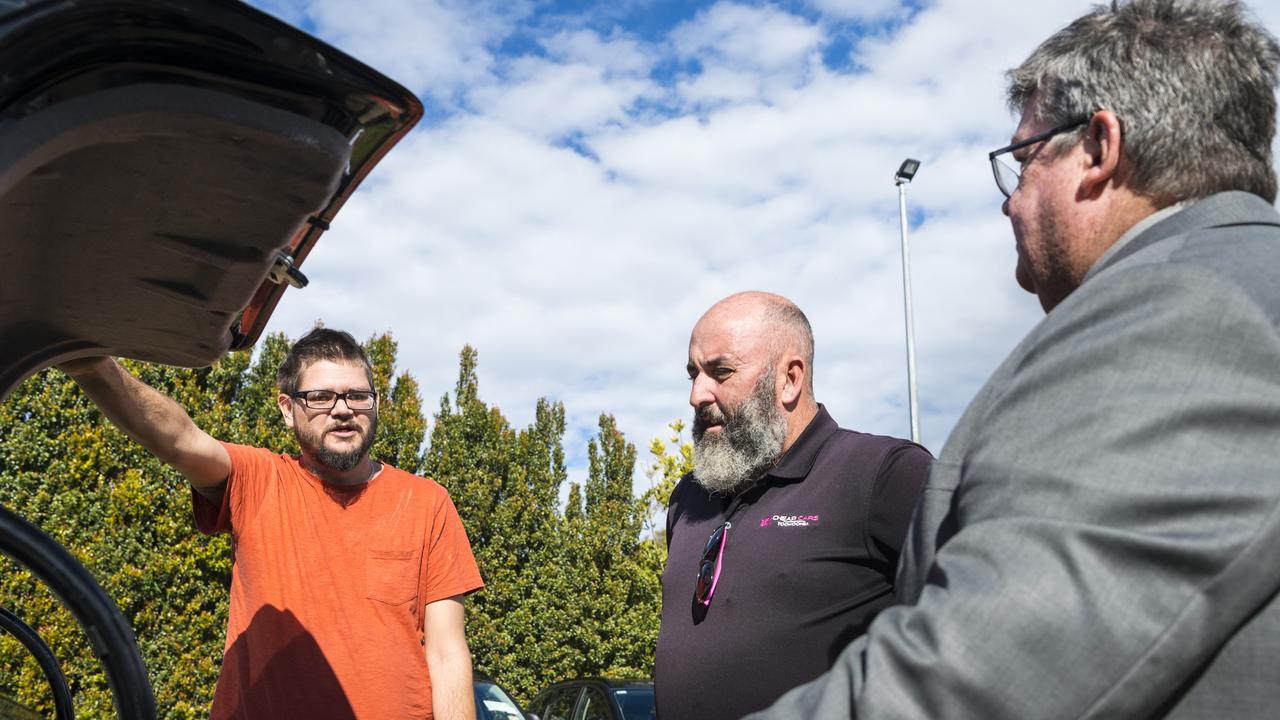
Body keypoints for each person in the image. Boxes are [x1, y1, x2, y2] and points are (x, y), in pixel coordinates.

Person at [750, 1, 1280, 718]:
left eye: (1024, 162)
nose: (1009, 204)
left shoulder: (1183, 312)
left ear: (1098, 149)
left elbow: (986, 672)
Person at [60, 328, 483, 720]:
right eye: (320, 397)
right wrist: (88, 362)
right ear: (287, 408)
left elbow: (447, 653)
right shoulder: (258, 479)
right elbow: (179, 439)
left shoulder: (427, 502)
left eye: (357, 396)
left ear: (375, 404)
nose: (342, 410)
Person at [654, 291, 931, 720]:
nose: (696, 395)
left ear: (790, 378)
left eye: (720, 372)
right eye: (693, 374)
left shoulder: (884, 474)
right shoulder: (689, 497)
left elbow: (974, 634)